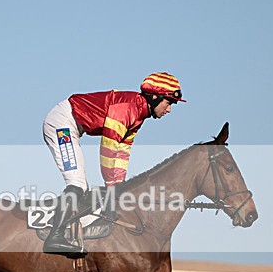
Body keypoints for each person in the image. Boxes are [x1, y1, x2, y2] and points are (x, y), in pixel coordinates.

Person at [42, 72, 186, 256]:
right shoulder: (126, 109)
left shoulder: (138, 115)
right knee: (77, 184)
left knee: (85, 186)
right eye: (169, 102)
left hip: (73, 126)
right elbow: (109, 148)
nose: (169, 109)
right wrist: (112, 188)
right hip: (61, 123)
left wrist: (118, 185)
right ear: (155, 97)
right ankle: (54, 237)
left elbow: (122, 152)